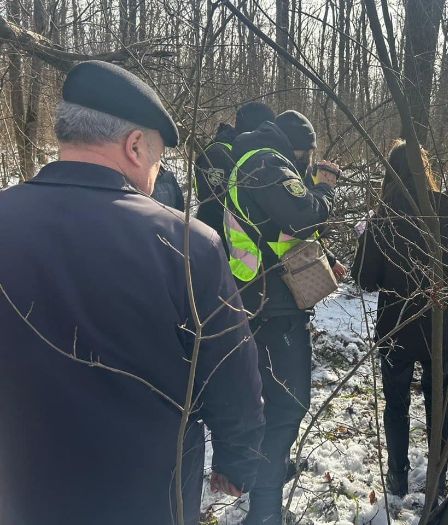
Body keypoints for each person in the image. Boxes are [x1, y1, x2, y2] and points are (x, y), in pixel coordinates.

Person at [0, 61, 265, 525]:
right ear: (136, 145)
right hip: (146, 496)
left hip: (21, 490)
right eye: (158, 161)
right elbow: (231, 375)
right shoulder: (187, 244)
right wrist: (237, 460)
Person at [351, 140, 448, 497]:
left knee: (396, 403)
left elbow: (362, 279)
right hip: (442, 328)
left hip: (396, 327)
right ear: (427, 172)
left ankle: (398, 476)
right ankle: (437, 475)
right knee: (438, 404)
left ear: (391, 175)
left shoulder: (383, 220)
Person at [221, 109, 341, 524]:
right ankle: (265, 512)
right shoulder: (265, 162)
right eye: (310, 155)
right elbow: (303, 214)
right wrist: (325, 189)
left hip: (261, 298)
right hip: (271, 307)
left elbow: (280, 229)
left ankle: (260, 491)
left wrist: (325, 260)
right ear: (301, 149)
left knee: (272, 408)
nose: (310, 162)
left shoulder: (261, 160)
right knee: (286, 410)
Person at [195, 101, 276, 251]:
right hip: (214, 246)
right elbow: (215, 209)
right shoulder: (219, 154)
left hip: (240, 250)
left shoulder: (250, 155)